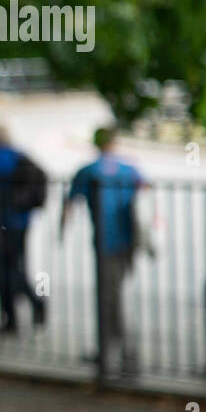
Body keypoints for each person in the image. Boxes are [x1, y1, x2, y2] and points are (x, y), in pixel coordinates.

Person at [62, 127, 145, 374]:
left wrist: (60, 233)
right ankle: (110, 352)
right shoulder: (129, 168)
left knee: (110, 299)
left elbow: (70, 203)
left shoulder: (88, 170)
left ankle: (122, 355)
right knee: (112, 296)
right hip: (127, 241)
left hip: (105, 243)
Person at [0, 125, 47, 334]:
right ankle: (35, 304)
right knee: (16, 267)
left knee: (3, 271)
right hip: (22, 221)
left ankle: (10, 319)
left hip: (3, 223)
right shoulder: (20, 154)